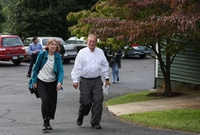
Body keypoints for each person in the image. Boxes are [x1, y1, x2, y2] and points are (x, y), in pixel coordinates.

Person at [71, 34, 110, 129]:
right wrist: (75, 80)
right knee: (86, 102)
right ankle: (81, 114)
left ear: (96, 42)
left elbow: (105, 65)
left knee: (98, 101)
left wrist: (107, 78)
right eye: (90, 41)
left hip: (97, 80)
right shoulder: (82, 52)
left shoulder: (100, 52)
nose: (92, 43)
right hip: (85, 80)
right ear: (87, 42)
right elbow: (77, 67)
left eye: (93, 41)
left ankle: (95, 122)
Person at [31, 39, 64, 132]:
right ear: (48, 45)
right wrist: (34, 81)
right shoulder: (42, 54)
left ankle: (48, 122)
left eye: (55, 45)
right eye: (52, 44)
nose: (54, 46)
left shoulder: (57, 56)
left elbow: (61, 71)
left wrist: (59, 82)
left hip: (52, 82)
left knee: (51, 103)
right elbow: (36, 68)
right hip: (41, 81)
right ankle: (45, 123)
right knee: (45, 100)